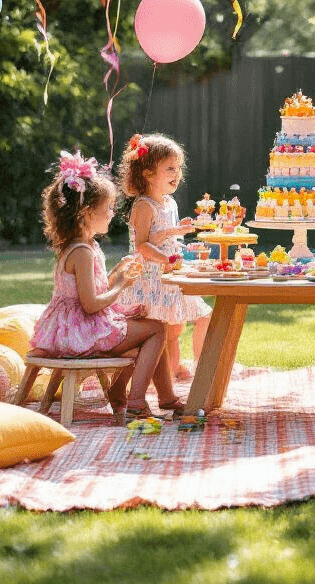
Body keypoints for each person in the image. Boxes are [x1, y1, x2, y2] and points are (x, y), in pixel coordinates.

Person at [30, 150, 185, 422]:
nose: (112, 214)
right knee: (157, 330)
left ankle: (149, 396)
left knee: (148, 322)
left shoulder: (85, 246)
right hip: (81, 332)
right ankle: (135, 401)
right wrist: (122, 285)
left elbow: (89, 291)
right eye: (107, 209)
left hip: (75, 328)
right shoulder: (82, 252)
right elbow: (90, 305)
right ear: (85, 215)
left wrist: (115, 273)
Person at [115, 133, 211, 380]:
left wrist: (178, 231)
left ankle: (203, 367)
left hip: (170, 275)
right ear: (148, 174)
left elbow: (164, 236)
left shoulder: (169, 203)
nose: (177, 174)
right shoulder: (144, 205)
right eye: (170, 168)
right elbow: (142, 245)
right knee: (169, 330)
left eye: (178, 168)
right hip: (151, 279)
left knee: (192, 320)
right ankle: (170, 373)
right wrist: (166, 260)